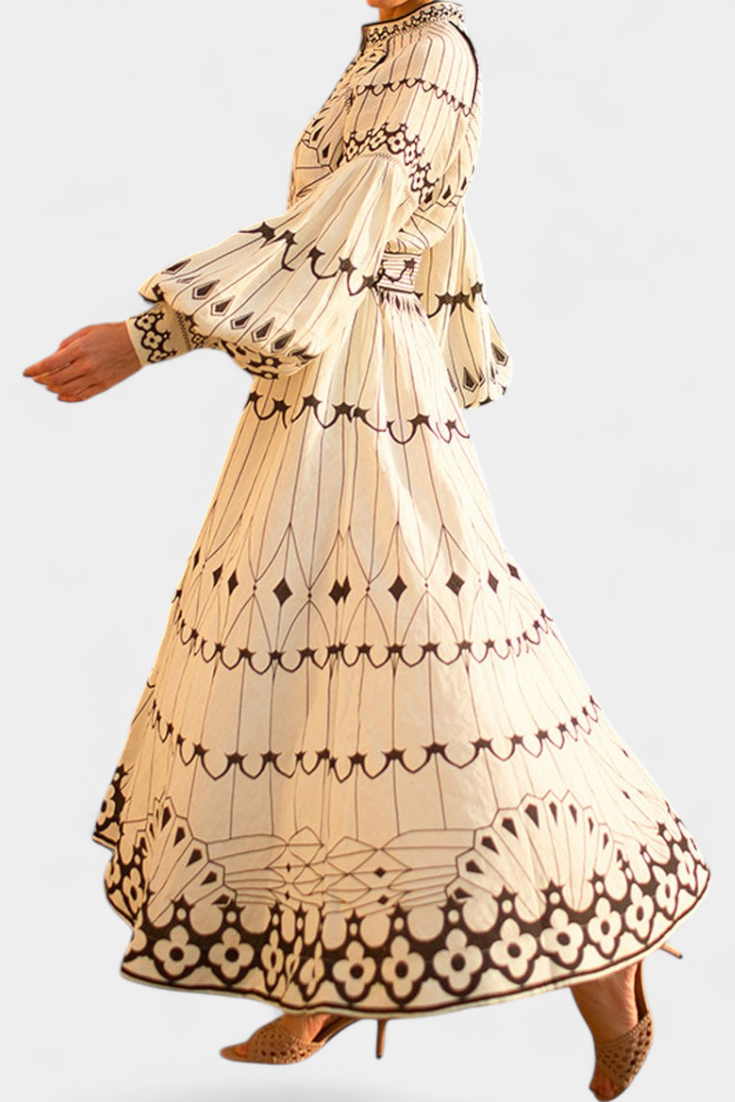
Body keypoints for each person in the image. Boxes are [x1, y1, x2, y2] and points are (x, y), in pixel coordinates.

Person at [22, 2, 710, 1098]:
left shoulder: (431, 49)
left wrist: (149, 336)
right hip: (320, 390)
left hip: (369, 400)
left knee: (447, 666)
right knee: (319, 674)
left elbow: (352, 220)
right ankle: (341, 963)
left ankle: (606, 955)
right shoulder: (388, 46)